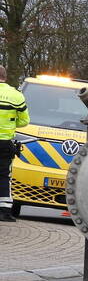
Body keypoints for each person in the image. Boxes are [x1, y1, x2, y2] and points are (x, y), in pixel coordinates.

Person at [0, 65, 29, 222]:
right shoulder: (16, 95)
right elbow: (25, 120)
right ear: (5, 76)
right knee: (4, 175)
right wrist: (10, 124)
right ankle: (4, 211)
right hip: (5, 142)